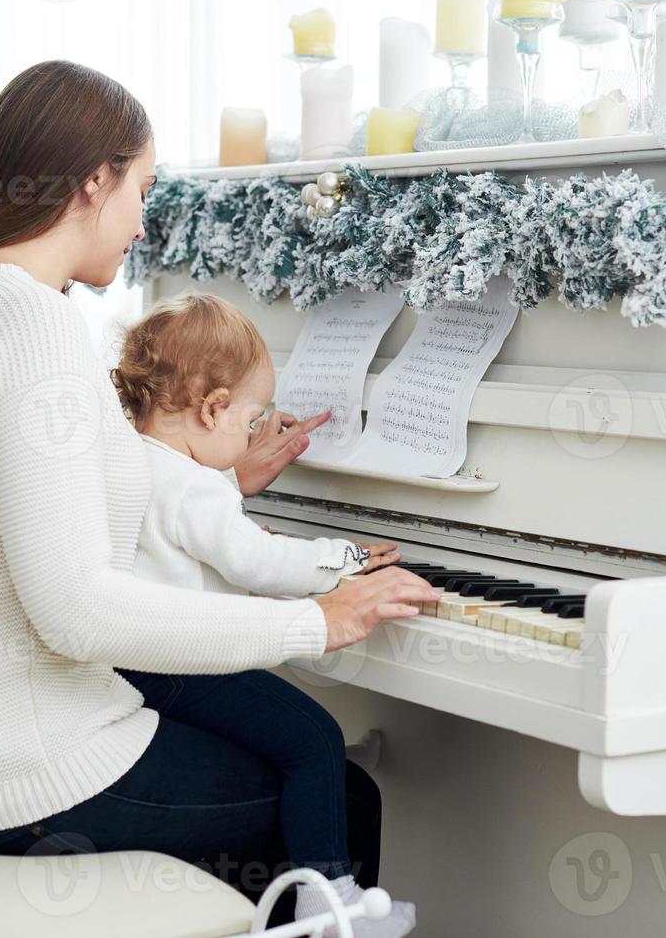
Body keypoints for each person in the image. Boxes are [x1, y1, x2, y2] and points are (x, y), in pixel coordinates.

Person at [0, 59, 438, 925]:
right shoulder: (34, 323)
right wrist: (321, 619)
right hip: (3, 771)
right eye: (142, 189)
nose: (140, 222)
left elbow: (42, 500)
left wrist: (225, 480)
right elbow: (77, 612)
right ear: (94, 181)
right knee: (342, 796)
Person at [111, 292, 415, 935]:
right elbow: (257, 564)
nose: (254, 434)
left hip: (134, 669)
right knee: (314, 740)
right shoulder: (197, 487)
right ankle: (328, 904)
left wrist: (233, 484)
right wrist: (349, 558)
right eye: (251, 420)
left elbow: (190, 522)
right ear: (211, 407)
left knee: (287, 740)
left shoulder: (128, 458)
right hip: (185, 668)